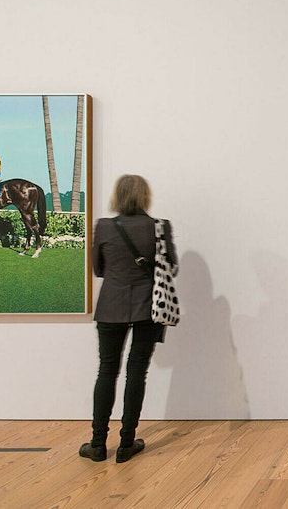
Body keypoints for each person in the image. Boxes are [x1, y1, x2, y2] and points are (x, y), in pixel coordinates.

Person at [80, 174, 177, 464]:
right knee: (137, 372)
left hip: (111, 306)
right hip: (148, 308)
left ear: (118, 196)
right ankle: (126, 443)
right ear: (145, 196)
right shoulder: (159, 227)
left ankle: (97, 444)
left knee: (107, 371)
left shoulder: (105, 226)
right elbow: (170, 266)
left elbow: (98, 269)